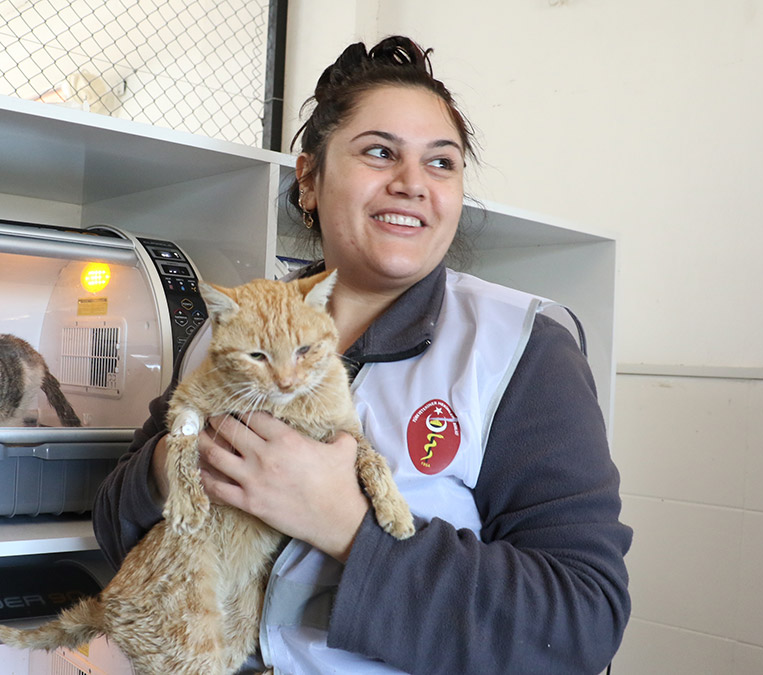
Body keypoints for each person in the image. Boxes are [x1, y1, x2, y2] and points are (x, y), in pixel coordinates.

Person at [92, 35, 632, 674]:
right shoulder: (235, 327)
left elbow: (581, 621)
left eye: (442, 163)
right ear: (310, 179)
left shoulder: (521, 349)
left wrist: (348, 525)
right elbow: (115, 518)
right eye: (380, 153)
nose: (411, 184)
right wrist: (175, 463)